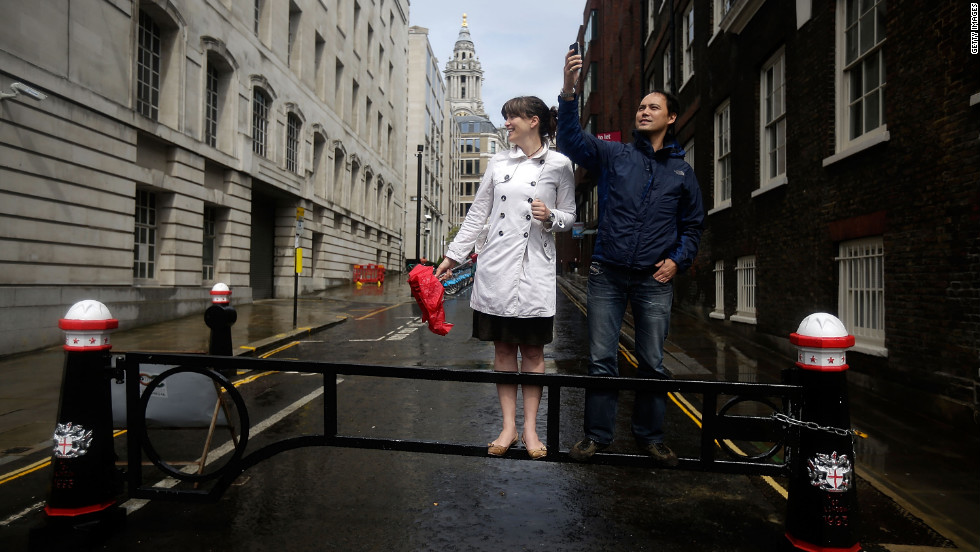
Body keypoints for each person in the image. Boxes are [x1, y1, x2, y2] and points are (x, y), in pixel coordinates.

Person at [558, 49, 704, 465]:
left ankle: (650, 438)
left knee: (653, 364)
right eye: (641, 107)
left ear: (670, 118)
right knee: (602, 360)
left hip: (653, 280)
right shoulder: (616, 154)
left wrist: (678, 260)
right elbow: (570, 140)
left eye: (653, 107)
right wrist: (569, 90)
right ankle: (596, 437)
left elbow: (693, 225)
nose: (643, 111)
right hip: (607, 274)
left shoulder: (682, 172)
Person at [436, 96, 575, 460]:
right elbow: (478, 213)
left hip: (534, 269)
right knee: (502, 350)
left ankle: (530, 429)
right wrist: (453, 255)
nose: (507, 123)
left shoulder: (559, 164)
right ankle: (508, 426)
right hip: (496, 267)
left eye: (512, 118)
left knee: (532, 351)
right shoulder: (498, 162)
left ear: (533, 121)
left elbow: (571, 216)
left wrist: (552, 216)